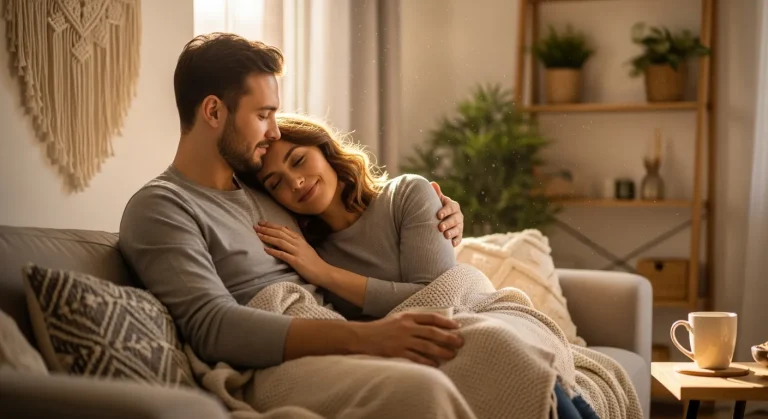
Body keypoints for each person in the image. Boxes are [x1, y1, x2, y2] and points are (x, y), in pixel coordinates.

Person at [118, 32, 476, 417]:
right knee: (423, 389)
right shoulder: (160, 206)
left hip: (335, 336)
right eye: (262, 115)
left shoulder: (265, 191)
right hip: (275, 364)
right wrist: (369, 337)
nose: (274, 132)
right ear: (214, 112)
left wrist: (440, 217)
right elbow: (212, 326)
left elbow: (355, 235)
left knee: (493, 343)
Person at [237, 114, 456, 332]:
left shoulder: (406, 194)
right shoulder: (305, 253)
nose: (295, 182)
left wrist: (325, 274)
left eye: (298, 160)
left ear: (324, 149)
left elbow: (440, 302)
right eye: (276, 184)